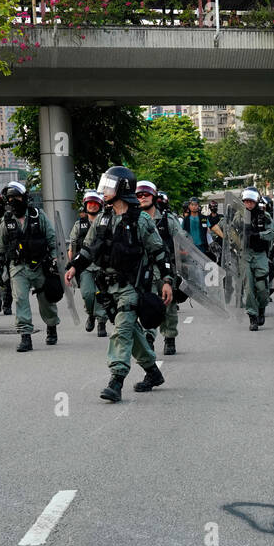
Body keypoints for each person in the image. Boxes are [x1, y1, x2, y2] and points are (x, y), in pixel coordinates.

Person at [65, 166, 170, 402]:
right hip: (108, 287)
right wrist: (73, 267)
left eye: (109, 186)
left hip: (132, 286)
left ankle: (116, 380)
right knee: (131, 330)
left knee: (121, 331)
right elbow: (88, 249)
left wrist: (167, 281)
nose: (104, 191)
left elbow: (159, 252)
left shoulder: (141, 219)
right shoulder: (102, 218)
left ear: (122, 189)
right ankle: (153, 372)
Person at [0, 181, 60, 352]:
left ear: (25, 198)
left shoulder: (38, 215)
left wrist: (55, 260)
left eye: (17, 197)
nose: (14, 201)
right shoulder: (7, 222)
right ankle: (25, 336)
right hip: (18, 267)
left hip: (40, 265)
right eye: (10, 198)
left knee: (46, 301)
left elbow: (52, 240)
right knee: (20, 299)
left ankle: (51, 326)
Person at [136, 180, 182, 355]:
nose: (142, 198)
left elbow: (182, 241)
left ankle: (169, 337)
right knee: (147, 303)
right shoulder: (134, 220)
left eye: (146, 194)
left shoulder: (167, 219)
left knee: (168, 304)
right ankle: (149, 336)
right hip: (144, 268)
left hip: (166, 267)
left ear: (154, 196)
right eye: (139, 195)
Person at [232, 186, 274, 331]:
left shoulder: (265, 216)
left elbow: (273, 233)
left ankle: (262, 308)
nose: (248, 204)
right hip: (245, 254)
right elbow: (231, 231)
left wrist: (259, 235)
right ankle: (252, 316)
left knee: (262, 286)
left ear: (256, 201)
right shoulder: (239, 215)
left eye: (251, 201)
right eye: (246, 201)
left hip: (260, 254)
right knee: (249, 288)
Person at [68, 190, 108, 337]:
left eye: (95, 203)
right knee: (87, 294)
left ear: (100, 205)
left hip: (102, 265)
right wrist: (72, 264)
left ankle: (101, 321)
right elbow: (72, 246)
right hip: (84, 265)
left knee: (101, 294)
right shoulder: (79, 225)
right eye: (89, 203)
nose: (92, 206)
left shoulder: (106, 222)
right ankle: (91, 314)